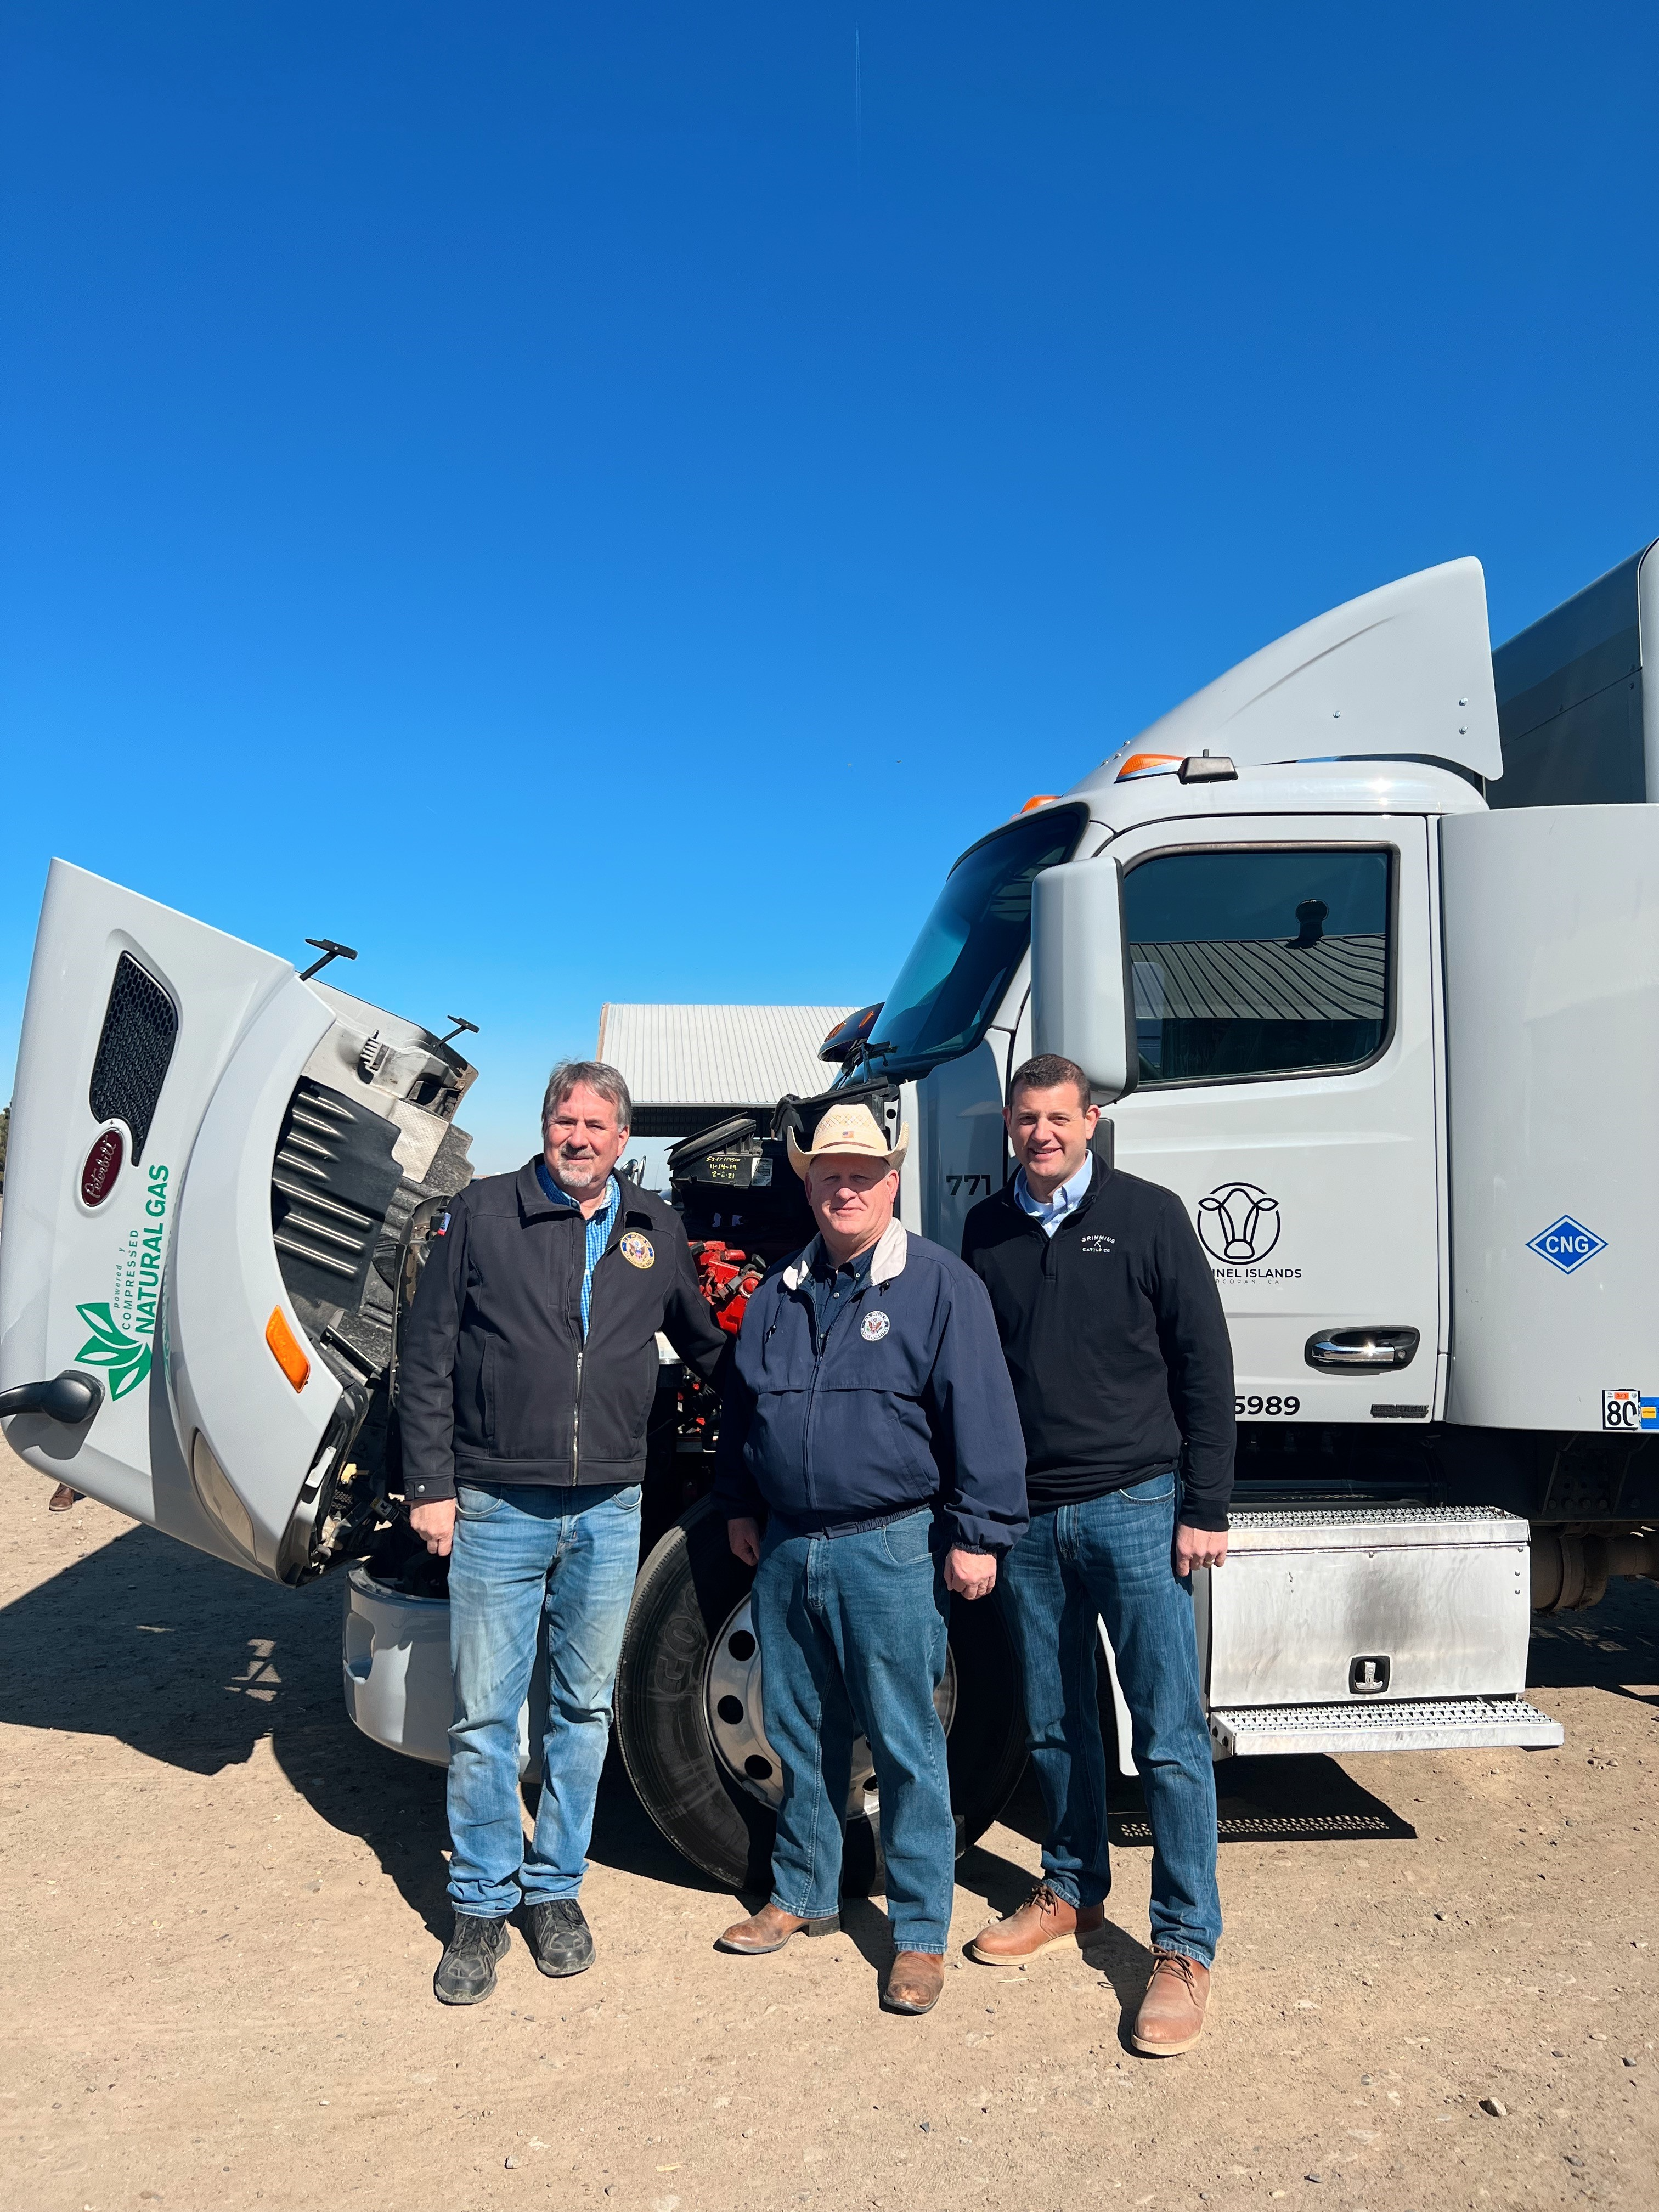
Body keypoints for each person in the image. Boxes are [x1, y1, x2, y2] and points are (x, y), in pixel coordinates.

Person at [399, 1060, 726, 2007]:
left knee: (584, 1713)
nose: (578, 1137)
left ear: (624, 1139)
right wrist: (430, 1484)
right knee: (485, 1719)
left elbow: (703, 1343)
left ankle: (555, 1891)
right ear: (545, 1126)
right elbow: (426, 1355)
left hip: (610, 1509)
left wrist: (790, 1384)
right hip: (497, 1503)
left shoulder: (651, 1226)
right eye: (564, 1120)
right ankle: (479, 1902)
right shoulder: (482, 1215)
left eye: (596, 1124)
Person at [711, 1102, 1027, 2016]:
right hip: (788, 1546)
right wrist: (740, 1504)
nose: (845, 1188)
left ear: (891, 1182)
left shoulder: (938, 1285)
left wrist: (979, 1532)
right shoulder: (777, 1295)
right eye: (829, 1174)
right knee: (800, 1735)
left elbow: (983, 1414)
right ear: (807, 1184)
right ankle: (802, 1893)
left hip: (892, 1546)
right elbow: (744, 1415)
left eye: (863, 1173)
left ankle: (920, 1933)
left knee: (905, 1744)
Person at [961, 1053, 1235, 2057]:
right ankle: (1072, 1886)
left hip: (1137, 1507)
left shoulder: (1152, 1216)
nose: (1042, 1134)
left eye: (1058, 1118)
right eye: (1025, 1120)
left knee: (1166, 1732)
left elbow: (1206, 1362)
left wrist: (1203, 1505)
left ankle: (1183, 1945)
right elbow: (976, 1380)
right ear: (1010, 1126)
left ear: (1091, 1121)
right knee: (1054, 1723)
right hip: (1029, 1518)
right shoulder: (987, 1231)